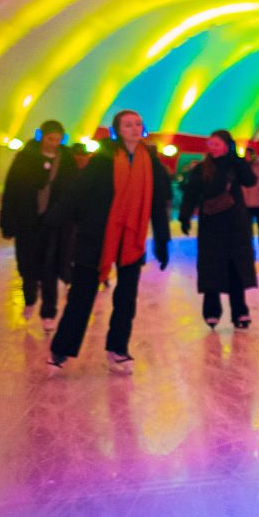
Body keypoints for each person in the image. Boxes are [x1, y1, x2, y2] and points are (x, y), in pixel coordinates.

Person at [46, 109, 172, 374]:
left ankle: (118, 348)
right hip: (97, 234)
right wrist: (53, 217)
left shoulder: (150, 160)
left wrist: (162, 239)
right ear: (117, 130)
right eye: (128, 125)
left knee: (126, 297)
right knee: (82, 295)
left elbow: (159, 202)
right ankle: (60, 350)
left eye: (138, 124)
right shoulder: (103, 158)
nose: (134, 129)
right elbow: (77, 191)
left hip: (133, 236)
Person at [178, 130, 259, 330]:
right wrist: (185, 216)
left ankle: (240, 311)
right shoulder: (201, 169)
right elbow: (191, 193)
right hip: (211, 225)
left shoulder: (235, 165)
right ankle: (212, 311)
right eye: (210, 143)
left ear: (226, 145)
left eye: (217, 144)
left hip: (236, 226)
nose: (212, 147)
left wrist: (238, 159)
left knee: (236, 268)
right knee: (211, 267)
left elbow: (251, 181)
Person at [0, 119, 78, 329]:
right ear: (41, 137)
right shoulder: (25, 158)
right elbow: (11, 191)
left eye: (57, 139)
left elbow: (73, 192)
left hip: (54, 223)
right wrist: (7, 222)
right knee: (27, 264)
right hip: (27, 221)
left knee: (50, 266)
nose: (53, 143)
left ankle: (48, 311)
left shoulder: (67, 160)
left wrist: (71, 217)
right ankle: (30, 298)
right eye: (50, 138)